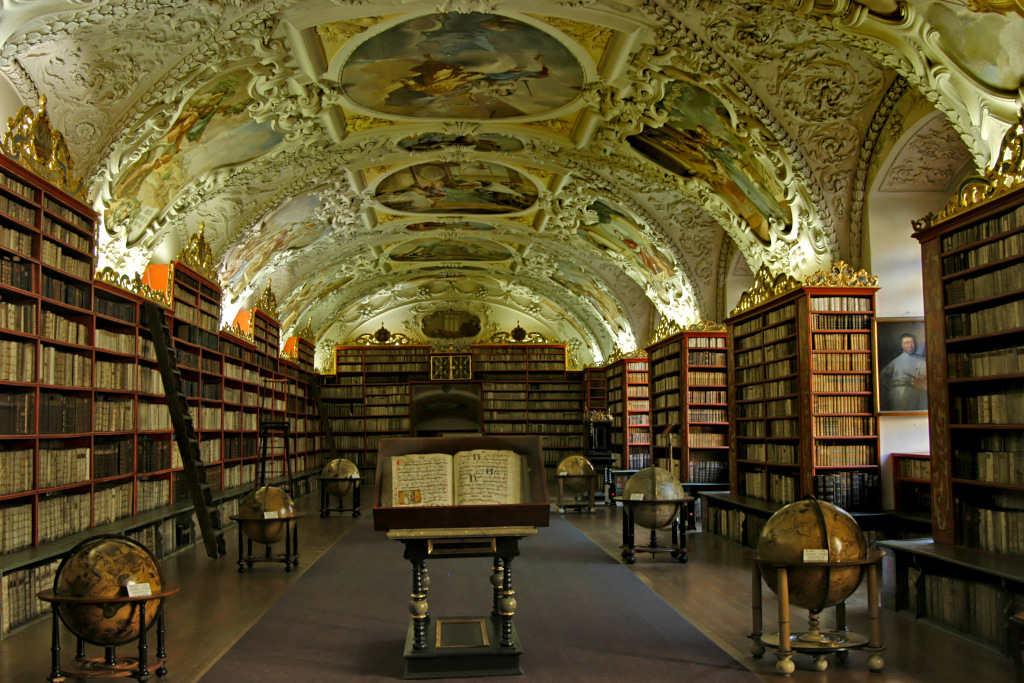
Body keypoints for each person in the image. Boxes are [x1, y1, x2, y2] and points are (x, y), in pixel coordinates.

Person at [879, 333, 927, 411]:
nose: (910, 345)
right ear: (901, 346)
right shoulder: (896, 361)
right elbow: (883, 374)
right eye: (907, 343)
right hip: (899, 394)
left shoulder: (922, 360)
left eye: (912, 342)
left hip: (918, 393)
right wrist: (892, 386)